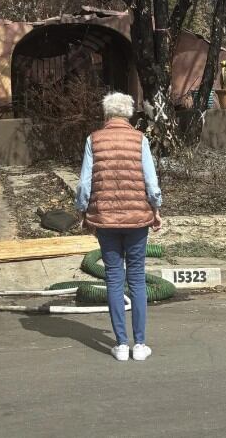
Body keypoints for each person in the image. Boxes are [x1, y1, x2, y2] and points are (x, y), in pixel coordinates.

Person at [75, 91, 163, 361]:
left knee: (114, 277)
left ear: (106, 114)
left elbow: (83, 184)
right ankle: (140, 344)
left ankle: (121, 345)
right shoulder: (139, 139)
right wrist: (156, 208)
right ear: (128, 114)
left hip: (105, 219)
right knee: (136, 277)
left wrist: (82, 211)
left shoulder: (94, 139)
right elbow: (151, 181)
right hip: (137, 219)